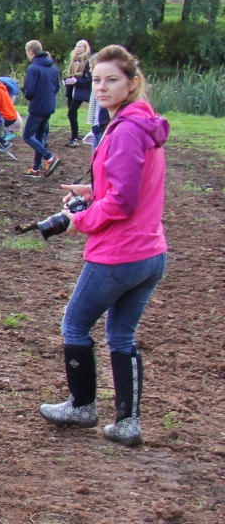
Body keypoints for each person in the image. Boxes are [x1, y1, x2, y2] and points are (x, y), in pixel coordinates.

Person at [38, 45, 166, 447]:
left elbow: (124, 201)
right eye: (97, 80)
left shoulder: (126, 128)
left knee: (75, 323)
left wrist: (81, 220)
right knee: (122, 336)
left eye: (112, 80)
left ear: (133, 83)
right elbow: (128, 186)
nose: (103, 88)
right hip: (151, 253)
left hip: (120, 253)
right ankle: (128, 423)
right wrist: (92, 190)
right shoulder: (142, 125)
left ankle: (82, 405)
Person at [21, 40, 62, 177]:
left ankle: (49, 157)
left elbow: (30, 91)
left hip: (37, 107)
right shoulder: (53, 67)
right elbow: (56, 88)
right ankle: (35, 168)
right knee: (39, 136)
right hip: (49, 106)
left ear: (31, 52)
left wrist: (25, 91)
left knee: (27, 136)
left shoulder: (33, 68)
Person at [62, 40, 93, 147]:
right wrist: (66, 81)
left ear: (85, 48)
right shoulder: (73, 61)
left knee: (70, 113)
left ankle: (74, 138)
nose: (78, 48)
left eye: (80, 47)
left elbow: (89, 81)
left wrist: (77, 82)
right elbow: (70, 75)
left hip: (79, 91)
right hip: (71, 90)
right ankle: (74, 135)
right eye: (76, 46)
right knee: (73, 114)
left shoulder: (88, 62)